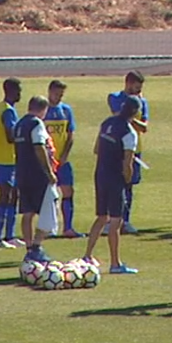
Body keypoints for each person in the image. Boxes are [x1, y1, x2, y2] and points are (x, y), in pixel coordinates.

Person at [82, 97, 142, 274]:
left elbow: (96, 149)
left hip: (100, 174)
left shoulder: (107, 123)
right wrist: (128, 180)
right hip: (115, 179)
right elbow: (127, 165)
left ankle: (87, 255)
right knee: (116, 221)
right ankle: (115, 263)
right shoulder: (130, 133)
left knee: (102, 217)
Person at [13, 96, 59, 263]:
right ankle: (36, 246)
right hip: (37, 176)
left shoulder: (19, 124)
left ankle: (29, 248)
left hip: (22, 174)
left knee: (28, 212)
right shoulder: (36, 124)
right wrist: (49, 173)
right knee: (49, 211)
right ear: (43, 109)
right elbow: (39, 147)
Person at [107, 71, 149, 234]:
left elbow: (144, 127)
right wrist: (130, 117)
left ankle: (125, 220)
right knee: (116, 186)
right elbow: (118, 117)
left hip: (134, 149)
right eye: (136, 87)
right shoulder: (115, 97)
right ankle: (113, 220)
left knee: (129, 186)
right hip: (117, 150)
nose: (138, 91)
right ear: (128, 83)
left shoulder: (142, 102)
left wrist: (129, 117)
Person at [44, 80, 84, 238]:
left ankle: (68, 227)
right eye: (56, 94)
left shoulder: (66, 110)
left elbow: (70, 134)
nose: (59, 97)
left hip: (62, 161)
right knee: (47, 195)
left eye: (61, 94)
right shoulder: (43, 109)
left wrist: (64, 155)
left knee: (68, 191)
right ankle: (47, 229)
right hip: (46, 161)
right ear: (49, 91)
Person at [0, 77, 24, 248]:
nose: (20, 94)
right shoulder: (7, 111)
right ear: (10, 90)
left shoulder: (1, 108)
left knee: (12, 196)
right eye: (18, 90)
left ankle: (9, 236)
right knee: (6, 196)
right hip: (6, 160)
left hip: (5, 159)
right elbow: (11, 137)